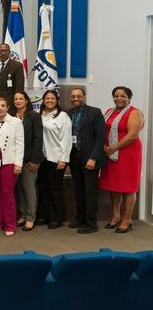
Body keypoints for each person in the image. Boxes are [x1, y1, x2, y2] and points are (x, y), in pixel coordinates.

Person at [99, 86, 144, 233]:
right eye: (116, 96)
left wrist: (113, 147)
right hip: (111, 154)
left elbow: (132, 135)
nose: (119, 98)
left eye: (123, 96)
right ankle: (115, 216)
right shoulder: (109, 112)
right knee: (114, 186)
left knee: (128, 187)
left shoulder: (134, 113)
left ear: (129, 98)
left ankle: (126, 220)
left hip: (127, 153)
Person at [66, 88, 106, 234]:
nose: (76, 98)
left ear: (84, 97)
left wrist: (93, 158)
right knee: (78, 189)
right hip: (75, 157)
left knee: (90, 191)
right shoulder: (68, 113)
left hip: (90, 158)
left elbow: (101, 137)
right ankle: (80, 218)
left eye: (79, 96)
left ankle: (91, 223)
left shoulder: (95, 112)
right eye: (73, 96)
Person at [0, 97, 24, 236]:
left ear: (8, 108)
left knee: (7, 192)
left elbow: (20, 144)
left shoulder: (15, 122)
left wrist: (18, 164)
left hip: (9, 160)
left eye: (3, 105)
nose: (0, 108)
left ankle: (10, 224)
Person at [37, 89, 72, 229]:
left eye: (52, 98)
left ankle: (57, 218)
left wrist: (63, 159)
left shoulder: (62, 116)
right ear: (43, 100)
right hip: (43, 158)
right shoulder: (39, 115)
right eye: (47, 98)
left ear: (57, 100)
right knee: (43, 187)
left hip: (56, 158)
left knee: (55, 188)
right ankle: (44, 216)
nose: (49, 100)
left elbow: (66, 139)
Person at [13, 91, 43, 232]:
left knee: (28, 187)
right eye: (16, 99)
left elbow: (38, 139)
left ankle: (31, 218)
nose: (18, 101)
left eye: (21, 99)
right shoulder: (12, 116)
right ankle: (23, 214)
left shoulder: (34, 116)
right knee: (19, 188)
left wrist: (34, 160)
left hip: (30, 159)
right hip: (16, 159)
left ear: (26, 101)